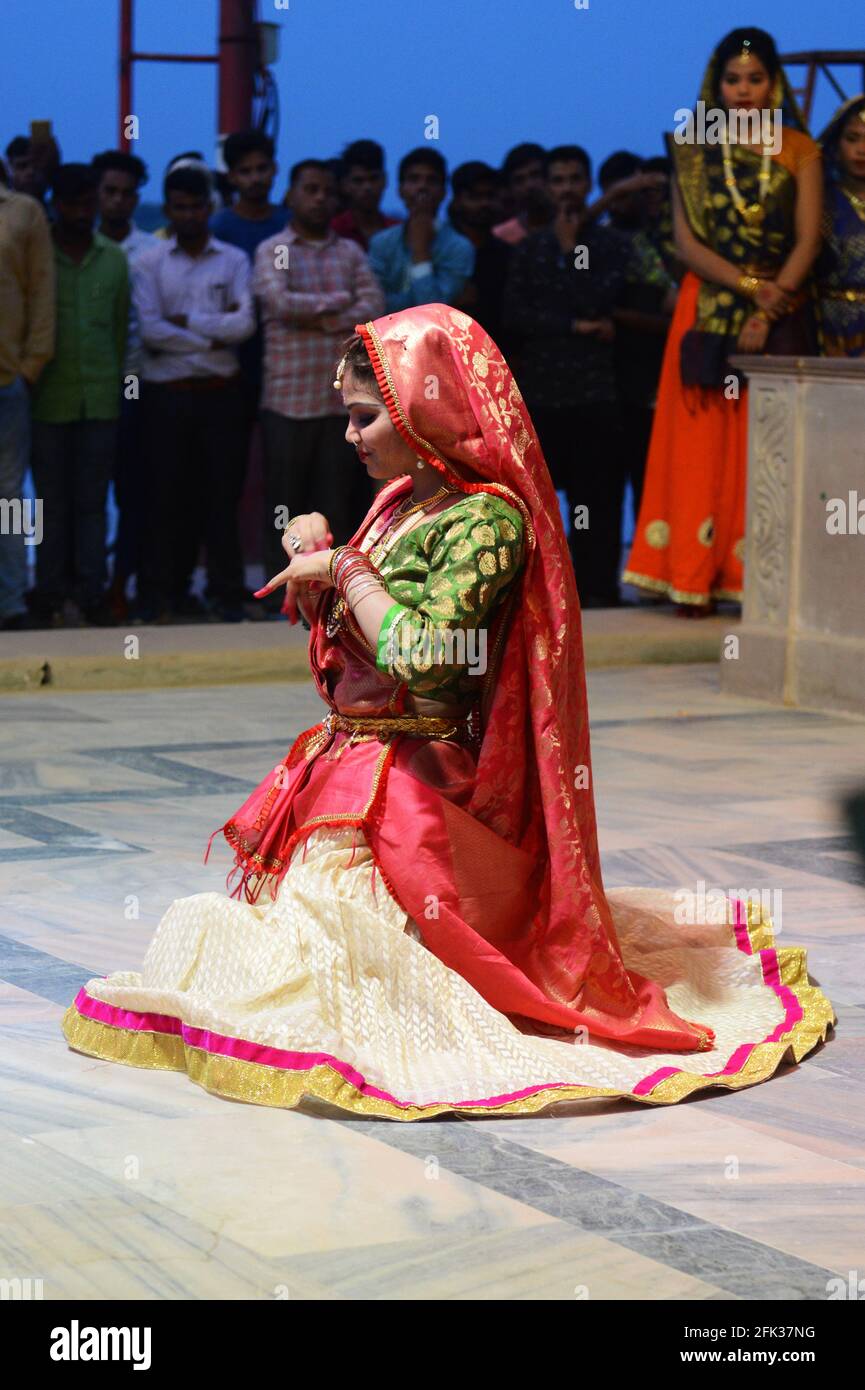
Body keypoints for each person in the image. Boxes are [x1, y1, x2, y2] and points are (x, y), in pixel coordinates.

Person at [60, 301, 835, 1119]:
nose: (351, 436)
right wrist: (318, 556)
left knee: (326, 965)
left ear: (420, 409)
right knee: (263, 947)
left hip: (417, 782)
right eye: (348, 418)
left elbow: (422, 654)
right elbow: (354, 634)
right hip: (354, 760)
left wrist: (345, 566)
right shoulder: (401, 499)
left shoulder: (487, 519)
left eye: (366, 417)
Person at [623, 27, 823, 615]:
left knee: (767, 443)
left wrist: (774, 296)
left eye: (755, 78)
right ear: (716, 84)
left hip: (783, 307)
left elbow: (809, 239)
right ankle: (691, 574)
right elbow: (686, 244)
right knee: (698, 439)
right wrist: (753, 290)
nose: (743, 90)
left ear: (774, 83)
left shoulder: (799, 149)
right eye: (733, 80)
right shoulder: (693, 150)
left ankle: (755, 578)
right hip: (707, 305)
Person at [502, 145, 631, 606]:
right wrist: (575, 326)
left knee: (596, 500)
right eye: (557, 181)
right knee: (535, 504)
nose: (566, 189)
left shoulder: (611, 244)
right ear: (546, 188)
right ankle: (538, 597)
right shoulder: (529, 248)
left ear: (588, 184)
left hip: (595, 392)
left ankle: (598, 591)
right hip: (541, 394)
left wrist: (575, 245)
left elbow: (600, 297)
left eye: (575, 179)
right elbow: (516, 315)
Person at [253, 159, 384, 612]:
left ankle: (338, 596)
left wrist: (314, 314)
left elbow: (372, 306)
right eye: (309, 189)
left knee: (337, 503)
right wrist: (337, 310)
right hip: (286, 398)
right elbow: (278, 301)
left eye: (327, 190)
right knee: (283, 504)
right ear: (290, 195)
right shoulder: (273, 249)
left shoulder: (350, 252)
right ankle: (279, 596)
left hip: (338, 406)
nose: (319, 198)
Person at [132, 165, 255, 623]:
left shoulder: (234, 260)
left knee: (221, 498)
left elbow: (244, 326)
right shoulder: (149, 262)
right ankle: (166, 594)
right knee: (166, 497)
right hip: (167, 396)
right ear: (168, 211)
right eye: (179, 208)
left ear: (209, 208)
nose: (189, 215)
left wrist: (188, 323)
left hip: (222, 395)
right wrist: (213, 336)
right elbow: (151, 331)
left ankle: (225, 595)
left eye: (196, 206)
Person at [30, 164, 129, 627]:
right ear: (55, 205)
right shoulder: (37, 256)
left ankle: (92, 593)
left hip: (101, 400)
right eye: (71, 204)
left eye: (87, 203)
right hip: (45, 399)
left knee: (92, 504)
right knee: (48, 505)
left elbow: (122, 331)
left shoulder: (113, 259)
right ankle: (47, 592)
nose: (81, 212)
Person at [595, 152, 677, 525]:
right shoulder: (605, 241)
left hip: (668, 370)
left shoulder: (676, 239)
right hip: (617, 376)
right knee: (609, 481)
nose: (648, 198)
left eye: (659, 190)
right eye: (638, 190)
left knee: (659, 474)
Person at [92, 150, 156, 619]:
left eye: (126, 192)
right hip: (85, 387)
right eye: (108, 191)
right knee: (87, 497)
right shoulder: (77, 246)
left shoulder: (149, 251)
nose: (117, 200)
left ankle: (122, 586)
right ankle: (86, 589)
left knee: (134, 496)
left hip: (138, 388)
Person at [0, 179, 55, 630]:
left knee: (7, 496)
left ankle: (11, 600)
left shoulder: (22, 211)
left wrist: (30, 366)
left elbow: (41, 290)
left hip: (6, 378)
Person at [368, 148, 474, 311]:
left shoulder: (459, 248)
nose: (422, 187)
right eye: (414, 179)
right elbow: (375, 305)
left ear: (444, 191)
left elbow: (434, 312)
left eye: (431, 180)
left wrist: (420, 253)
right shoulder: (381, 242)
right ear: (400, 189)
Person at [815, 95, 865, 356]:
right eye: (852, 138)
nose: (861, 149)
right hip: (826, 331)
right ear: (836, 144)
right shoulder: (818, 201)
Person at [448, 160, 512, 346]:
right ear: (457, 201)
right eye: (475, 197)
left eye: (489, 196)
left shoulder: (507, 254)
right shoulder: (441, 250)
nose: (484, 204)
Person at [330, 139, 400, 250]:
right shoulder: (332, 232)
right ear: (345, 185)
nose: (367, 187)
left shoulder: (400, 233)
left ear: (385, 180)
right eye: (358, 181)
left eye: (374, 179)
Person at [493, 142, 551, 245]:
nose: (529, 185)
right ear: (510, 189)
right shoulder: (501, 237)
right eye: (519, 180)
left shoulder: (575, 225)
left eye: (535, 174)